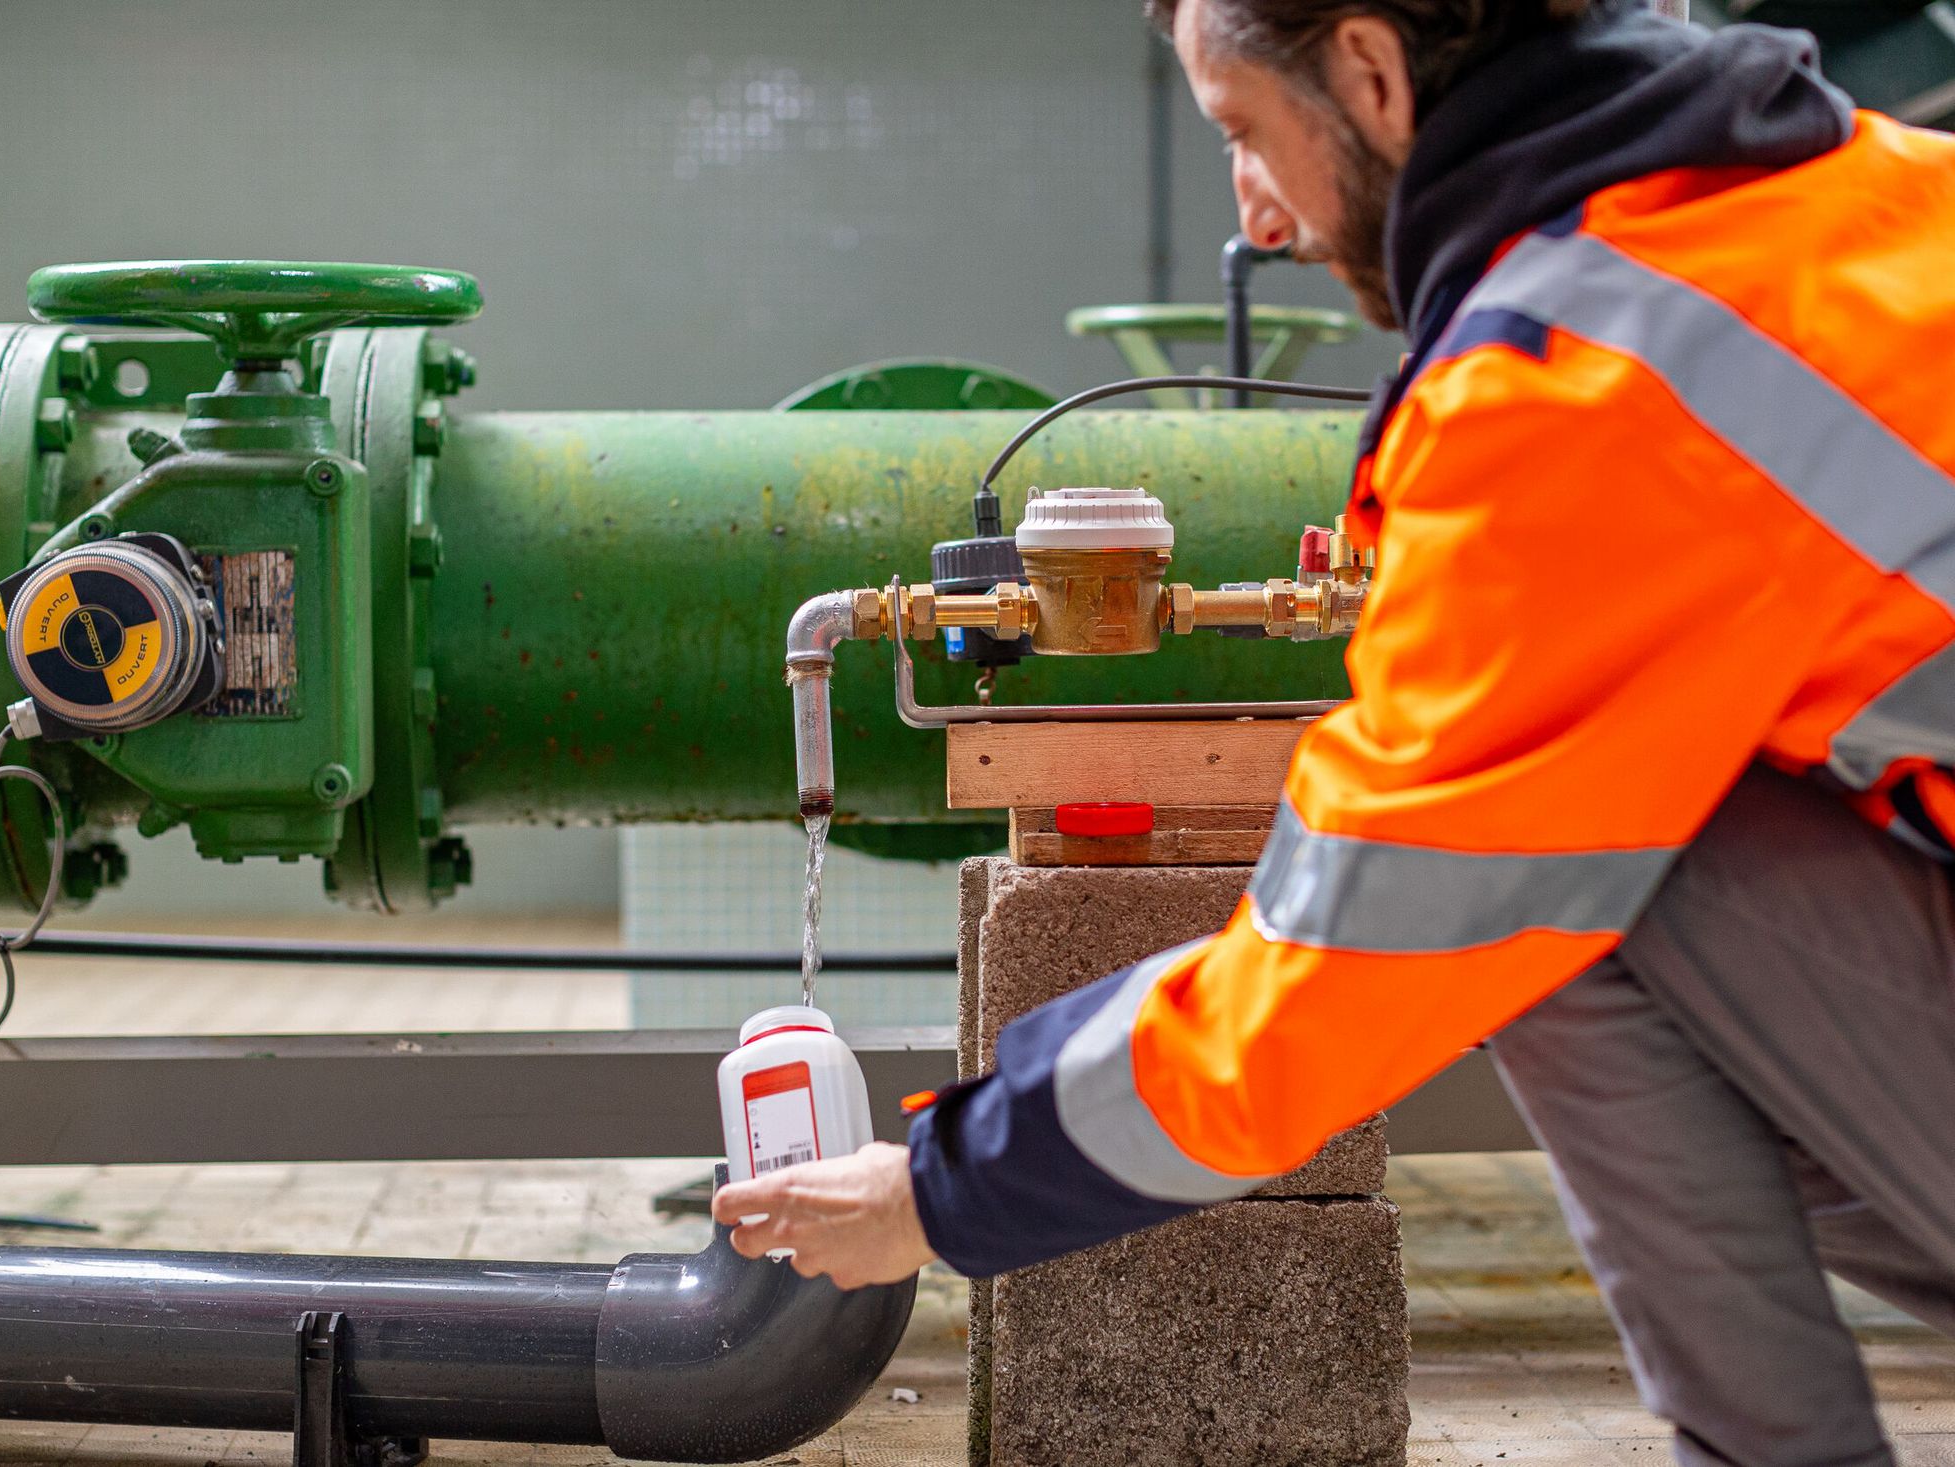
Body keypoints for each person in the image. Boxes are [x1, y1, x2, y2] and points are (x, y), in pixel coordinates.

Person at [714, 2, 1955, 1461]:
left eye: (1244, 130)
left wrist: (937, 1188)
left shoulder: (1582, 379)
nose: (1258, 212)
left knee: (1565, 891)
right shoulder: (1875, 187)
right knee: (1590, 841)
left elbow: (1347, 962)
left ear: (1368, 72)